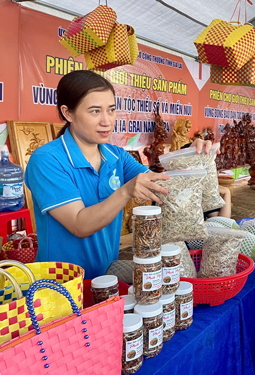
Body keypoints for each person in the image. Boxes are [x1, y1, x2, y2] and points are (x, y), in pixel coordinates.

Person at [25, 70, 212, 278]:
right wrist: (125, 192)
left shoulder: (116, 156)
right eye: (95, 111)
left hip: (105, 277)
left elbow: (163, 184)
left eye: (111, 110)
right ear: (68, 113)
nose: (107, 121)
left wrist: (192, 154)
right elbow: (79, 224)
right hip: (60, 284)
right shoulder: (47, 160)